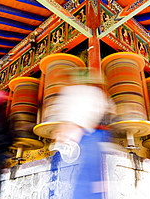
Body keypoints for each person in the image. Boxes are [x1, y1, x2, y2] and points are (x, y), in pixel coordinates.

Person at [48, 68, 114, 199]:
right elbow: (110, 111)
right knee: (92, 182)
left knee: (64, 181)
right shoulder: (96, 93)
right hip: (89, 139)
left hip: (69, 141)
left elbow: (54, 117)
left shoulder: (67, 92)